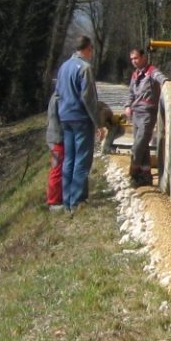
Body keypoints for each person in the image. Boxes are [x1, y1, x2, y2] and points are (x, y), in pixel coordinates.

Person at [56, 35, 99, 211]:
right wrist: (97, 122)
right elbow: (88, 98)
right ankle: (78, 200)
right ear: (87, 48)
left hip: (65, 117)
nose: (91, 52)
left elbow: (58, 93)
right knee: (82, 159)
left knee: (69, 159)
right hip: (81, 118)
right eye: (91, 49)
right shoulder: (85, 68)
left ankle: (67, 200)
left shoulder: (63, 67)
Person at [125, 46, 166, 186]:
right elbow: (131, 93)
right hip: (136, 114)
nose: (134, 61)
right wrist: (127, 106)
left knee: (139, 145)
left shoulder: (152, 72)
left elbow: (163, 79)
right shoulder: (135, 75)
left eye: (136, 58)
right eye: (132, 59)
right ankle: (145, 175)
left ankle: (133, 172)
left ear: (143, 57)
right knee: (143, 147)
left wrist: (166, 84)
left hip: (147, 113)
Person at [45, 91, 64, 208]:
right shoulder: (59, 98)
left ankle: (59, 197)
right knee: (56, 170)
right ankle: (53, 201)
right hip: (57, 139)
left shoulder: (55, 96)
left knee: (58, 168)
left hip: (54, 137)